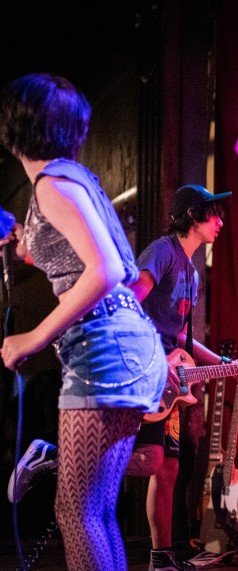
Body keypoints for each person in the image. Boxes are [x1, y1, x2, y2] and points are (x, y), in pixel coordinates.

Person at [7, 184, 238, 571]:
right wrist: (154, 357)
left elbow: (181, 340)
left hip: (167, 383)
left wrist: (231, 364)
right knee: (145, 462)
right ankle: (54, 458)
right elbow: (131, 301)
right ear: (192, 215)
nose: (221, 221)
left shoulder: (191, 272)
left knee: (166, 466)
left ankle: (161, 556)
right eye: (214, 213)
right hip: (141, 372)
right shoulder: (162, 252)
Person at [0, 73, 168, 571]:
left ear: (13, 126)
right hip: (131, 345)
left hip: (104, 350)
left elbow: (106, 270)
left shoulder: (52, 185)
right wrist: (17, 241)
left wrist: (31, 337)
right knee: (95, 511)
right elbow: (67, 256)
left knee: (75, 511)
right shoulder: (72, 180)